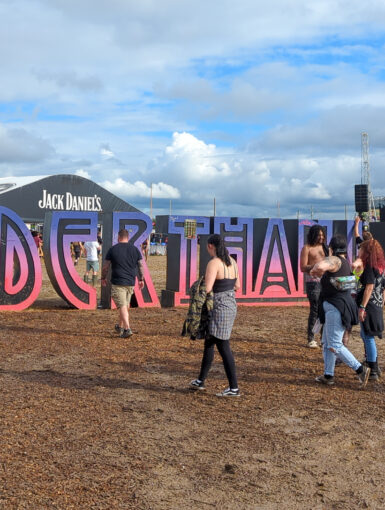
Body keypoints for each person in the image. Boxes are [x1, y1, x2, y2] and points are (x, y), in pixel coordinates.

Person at [310, 235, 370, 387]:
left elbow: (320, 267)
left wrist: (314, 271)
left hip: (335, 308)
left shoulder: (335, 260)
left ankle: (360, 369)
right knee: (327, 342)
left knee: (335, 344)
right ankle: (328, 375)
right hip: (337, 307)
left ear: (331, 248)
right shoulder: (345, 263)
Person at [190, 234, 241, 397]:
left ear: (211, 246)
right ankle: (200, 380)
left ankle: (234, 388)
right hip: (230, 303)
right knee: (210, 341)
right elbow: (237, 286)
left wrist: (197, 289)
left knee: (222, 344)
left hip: (219, 306)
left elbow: (208, 288)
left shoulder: (214, 263)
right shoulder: (232, 261)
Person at [101, 229, 144, 338]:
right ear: (128, 237)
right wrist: (141, 279)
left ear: (118, 237)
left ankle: (127, 329)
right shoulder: (135, 249)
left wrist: (103, 278)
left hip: (118, 282)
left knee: (122, 306)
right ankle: (119, 326)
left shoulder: (113, 249)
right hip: (130, 282)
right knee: (124, 305)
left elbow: (106, 267)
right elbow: (140, 265)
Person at [353, 239, 385, 381]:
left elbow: (369, 287)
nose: (359, 252)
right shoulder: (381, 268)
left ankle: (373, 368)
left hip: (369, 306)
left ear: (367, 252)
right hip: (377, 305)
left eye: (361, 250)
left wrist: (362, 307)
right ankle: (374, 366)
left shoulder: (370, 268)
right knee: (368, 335)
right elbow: (383, 289)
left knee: (368, 336)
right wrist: (381, 304)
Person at [300, 225, 328, 348]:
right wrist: (317, 266)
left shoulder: (326, 248)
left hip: (326, 282)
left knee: (326, 310)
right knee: (315, 310)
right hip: (313, 282)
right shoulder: (307, 248)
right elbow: (302, 267)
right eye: (319, 235)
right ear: (312, 235)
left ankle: (324, 338)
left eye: (322, 235)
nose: (321, 237)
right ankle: (311, 338)